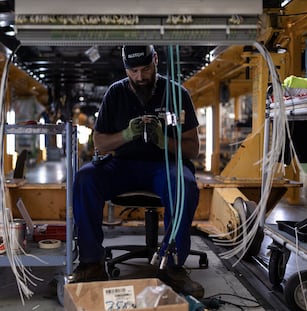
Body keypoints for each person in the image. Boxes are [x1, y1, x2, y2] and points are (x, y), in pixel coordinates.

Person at [72, 45, 204, 298]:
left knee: (184, 184)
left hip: (165, 165)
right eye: (133, 71)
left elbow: (193, 148)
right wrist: (127, 134)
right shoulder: (115, 93)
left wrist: (163, 141)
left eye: (146, 69)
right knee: (86, 178)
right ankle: (91, 263)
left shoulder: (177, 94)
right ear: (125, 69)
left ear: (155, 60)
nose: (140, 77)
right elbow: (98, 143)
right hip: (123, 165)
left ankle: (172, 265)